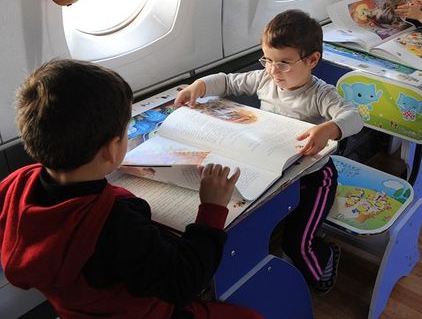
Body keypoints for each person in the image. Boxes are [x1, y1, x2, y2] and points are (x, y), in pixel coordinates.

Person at [0, 59, 261, 319]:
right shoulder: (117, 224)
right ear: (111, 150)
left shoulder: (16, 185)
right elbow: (184, 281)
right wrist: (212, 209)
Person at [175, 9, 363, 295]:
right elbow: (227, 81)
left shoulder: (320, 94)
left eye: (285, 63)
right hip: (275, 169)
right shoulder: (265, 79)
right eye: (268, 60)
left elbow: (354, 117)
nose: (274, 71)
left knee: (298, 242)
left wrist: (329, 129)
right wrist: (199, 86)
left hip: (314, 177)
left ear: (312, 60)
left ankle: (320, 274)